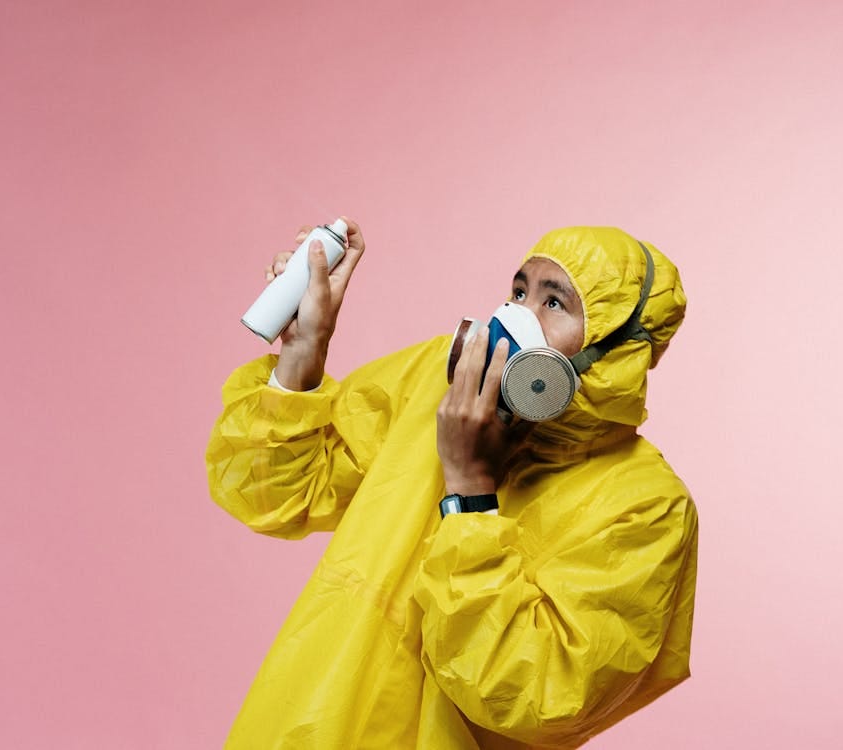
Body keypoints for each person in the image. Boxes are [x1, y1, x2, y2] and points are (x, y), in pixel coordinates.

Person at [205, 219, 698, 749]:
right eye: (518, 291)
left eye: (553, 303)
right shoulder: (435, 385)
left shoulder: (645, 507)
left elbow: (532, 694)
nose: (514, 316)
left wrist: (470, 488)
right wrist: (302, 357)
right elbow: (276, 493)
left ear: (619, 349)